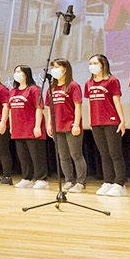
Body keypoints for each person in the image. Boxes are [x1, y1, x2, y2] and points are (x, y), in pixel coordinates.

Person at [84, 54, 127, 197]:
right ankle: (108, 181)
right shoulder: (88, 83)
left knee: (115, 153)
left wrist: (122, 120)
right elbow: (90, 104)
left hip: (111, 121)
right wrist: (91, 120)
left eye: (95, 63)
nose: (92, 66)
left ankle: (119, 183)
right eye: (90, 63)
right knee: (104, 154)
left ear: (103, 65)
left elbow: (116, 101)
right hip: (97, 122)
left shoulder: (112, 81)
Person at [2, 66, 47, 189]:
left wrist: (37, 126)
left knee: (37, 155)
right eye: (15, 71)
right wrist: (12, 125)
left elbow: (39, 108)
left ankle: (41, 179)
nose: (16, 74)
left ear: (26, 74)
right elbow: (10, 110)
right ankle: (27, 178)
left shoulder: (34, 89)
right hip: (18, 128)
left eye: (19, 71)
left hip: (31, 127)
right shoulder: (13, 91)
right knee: (23, 155)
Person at [45, 59, 85, 192]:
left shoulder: (73, 86)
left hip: (71, 125)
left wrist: (76, 124)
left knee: (76, 155)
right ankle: (69, 180)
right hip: (57, 127)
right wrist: (49, 124)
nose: (54, 70)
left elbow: (78, 106)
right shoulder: (51, 88)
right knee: (63, 156)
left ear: (65, 69)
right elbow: (50, 108)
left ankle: (81, 182)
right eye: (52, 68)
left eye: (57, 67)